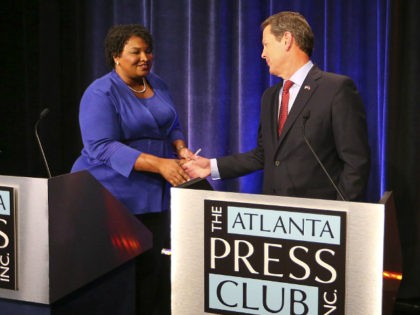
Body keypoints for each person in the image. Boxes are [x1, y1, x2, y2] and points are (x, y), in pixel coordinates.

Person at [182, 11, 370, 201]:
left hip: (321, 219)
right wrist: (211, 166)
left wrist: (341, 211)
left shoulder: (335, 89)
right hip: (274, 216)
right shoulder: (270, 97)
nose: (263, 54)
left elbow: (355, 162)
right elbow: (264, 154)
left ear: (287, 40)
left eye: (266, 45)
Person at [71, 24, 191, 314]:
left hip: (155, 191)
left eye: (148, 51)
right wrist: (160, 164)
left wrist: (180, 149)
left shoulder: (157, 84)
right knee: (119, 275)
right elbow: (101, 146)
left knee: (153, 268)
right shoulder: (100, 92)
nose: (144, 58)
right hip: (111, 193)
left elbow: (171, 124)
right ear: (116, 56)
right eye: (135, 52)